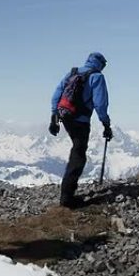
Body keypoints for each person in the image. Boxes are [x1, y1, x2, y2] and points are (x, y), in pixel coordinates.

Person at [50, 52, 113, 208]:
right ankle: (67, 199)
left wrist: (54, 116)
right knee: (78, 155)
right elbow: (100, 104)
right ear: (100, 64)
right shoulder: (97, 77)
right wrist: (106, 124)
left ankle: (67, 194)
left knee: (77, 151)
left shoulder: (73, 73)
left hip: (65, 117)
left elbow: (56, 95)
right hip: (81, 121)